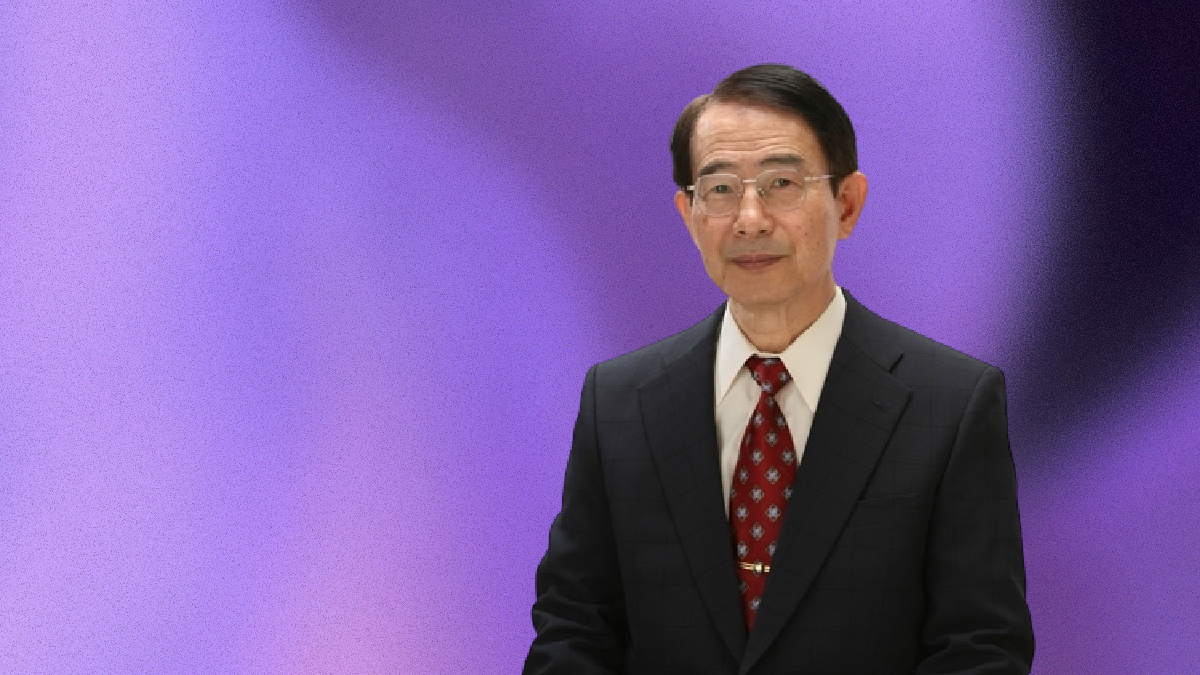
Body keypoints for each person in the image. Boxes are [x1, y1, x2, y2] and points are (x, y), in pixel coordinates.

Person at [524, 64, 1034, 675]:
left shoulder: (951, 404)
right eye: (719, 189)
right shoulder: (619, 403)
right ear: (688, 215)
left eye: (781, 183)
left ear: (847, 204)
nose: (750, 219)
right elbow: (575, 626)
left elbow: (980, 647)